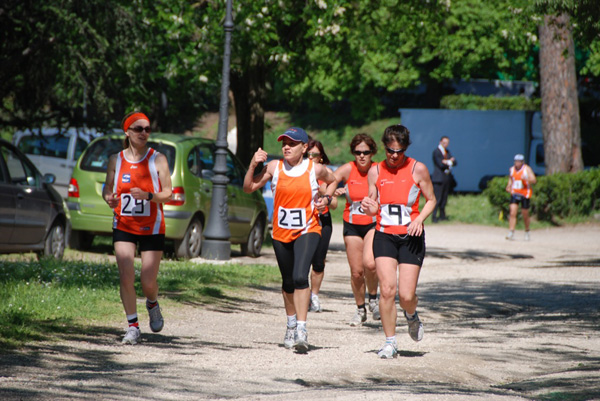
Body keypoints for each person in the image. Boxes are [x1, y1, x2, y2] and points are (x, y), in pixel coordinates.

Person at [243, 127, 336, 353]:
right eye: (284, 142)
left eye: (292, 143)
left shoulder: (315, 169)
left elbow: (333, 180)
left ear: (304, 148)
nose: (286, 146)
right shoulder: (275, 167)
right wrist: (253, 164)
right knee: (287, 282)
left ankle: (302, 329)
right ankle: (291, 324)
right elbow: (249, 188)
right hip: (281, 232)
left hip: (308, 229)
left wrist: (326, 198)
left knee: (299, 276)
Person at [361, 124, 436, 359]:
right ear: (384, 147)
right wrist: (370, 208)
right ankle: (390, 342)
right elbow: (372, 203)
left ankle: (411, 315)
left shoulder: (418, 169)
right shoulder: (375, 171)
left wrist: (420, 219)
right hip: (384, 234)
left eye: (400, 151)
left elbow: (431, 200)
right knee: (387, 291)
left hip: (411, 236)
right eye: (390, 150)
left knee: (405, 295)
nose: (394, 156)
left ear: (406, 148)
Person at [103, 111, 173, 345]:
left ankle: (152, 302)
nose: (144, 133)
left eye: (147, 129)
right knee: (126, 274)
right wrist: (109, 199)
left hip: (152, 226)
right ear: (127, 132)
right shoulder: (116, 160)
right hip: (123, 224)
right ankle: (133, 326)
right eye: (138, 129)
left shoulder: (158, 159)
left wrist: (149, 195)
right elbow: (107, 188)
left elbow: (168, 193)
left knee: (147, 281)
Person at [332, 133, 380, 326]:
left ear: (372, 153)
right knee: (356, 272)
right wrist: (332, 192)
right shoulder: (346, 169)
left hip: (373, 223)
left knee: (370, 264)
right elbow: (326, 183)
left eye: (366, 152)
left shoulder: (378, 170)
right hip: (351, 225)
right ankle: (360, 309)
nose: (361, 156)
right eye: (357, 152)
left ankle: (374, 300)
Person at [304, 140, 338, 313]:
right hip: (302, 220)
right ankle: (301, 295)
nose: (311, 157)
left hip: (322, 220)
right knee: (302, 260)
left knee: (318, 262)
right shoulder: (298, 171)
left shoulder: (327, 175)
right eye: (308, 154)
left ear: (321, 157)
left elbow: (335, 204)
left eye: (315, 154)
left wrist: (325, 193)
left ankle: (314, 296)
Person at [505, 154, 537, 241]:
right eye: (516, 161)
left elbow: (534, 180)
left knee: (525, 214)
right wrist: (509, 185)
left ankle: (527, 231)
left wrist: (526, 179)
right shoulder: (512, 169)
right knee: (512, 212)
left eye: (519, 161)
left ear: (522, 162)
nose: (517, 163)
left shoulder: (527, 169)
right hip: (515, 193)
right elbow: (511, 179)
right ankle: (511, 232)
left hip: (525, 194)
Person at [431, 136, 456, 222]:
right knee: (437, 198)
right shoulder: (436, 152)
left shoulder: (447, 151)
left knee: (444, 198)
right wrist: (449, 162)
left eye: (447, 143)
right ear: (440, 142)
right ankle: (434, 216)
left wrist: (448, 161)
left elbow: (455, 162)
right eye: (444, 142)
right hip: (438, 178)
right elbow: (440, 164)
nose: (446, 144)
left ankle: (442, 215)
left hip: (446, 177)